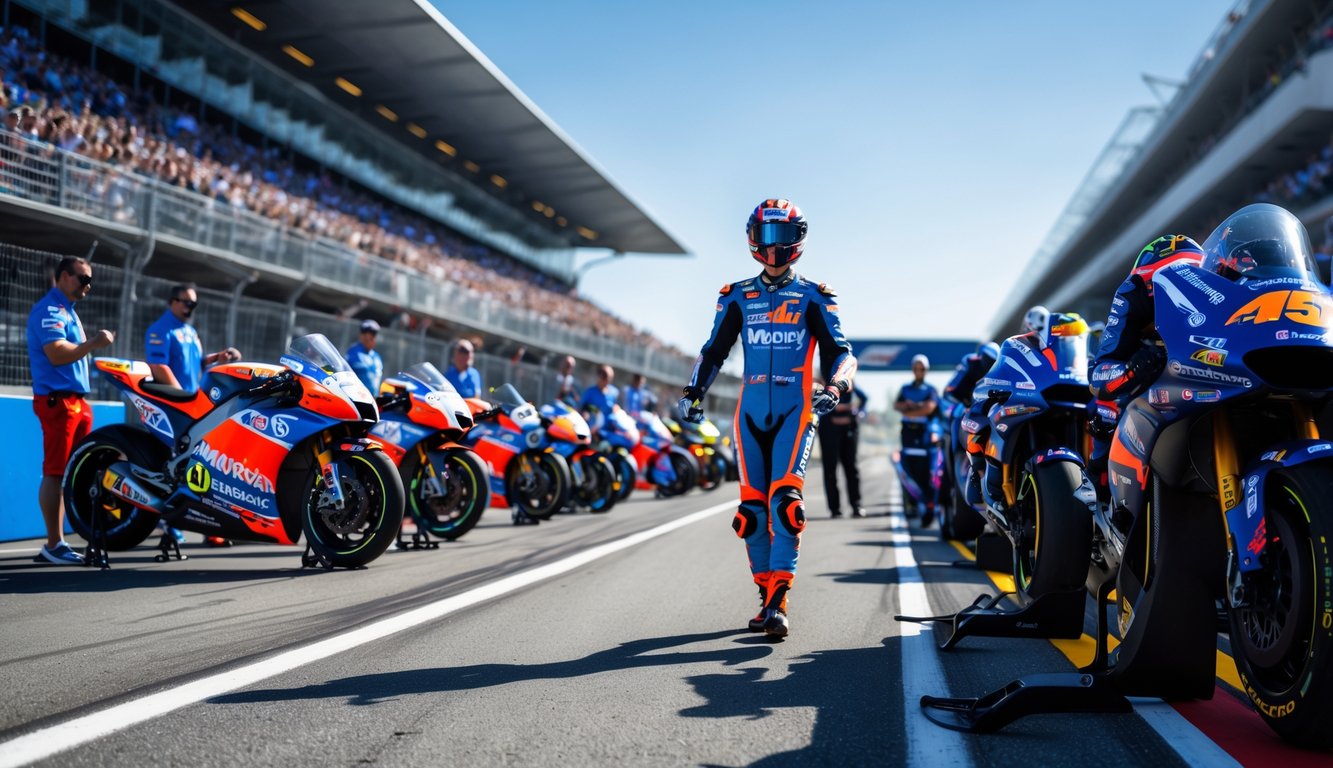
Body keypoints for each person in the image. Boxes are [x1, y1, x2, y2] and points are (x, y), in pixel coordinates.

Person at [678, 198, 856, 639]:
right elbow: (713, 350)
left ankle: (779, 602)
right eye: (766, 236)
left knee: (786, 506)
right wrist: (693, 391)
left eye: (782, 237)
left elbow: (842, 354)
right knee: (752, 513)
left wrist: (835, 388)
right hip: (749, 413)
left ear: (798, 239)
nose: (773, 247)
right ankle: (765, 598)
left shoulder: (815, 296)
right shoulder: (736, 296)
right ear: (753, 239)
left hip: (797, 412)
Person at [1088, 235, 1206, 498]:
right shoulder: (1132, 292)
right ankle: (1102, 485)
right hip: (1154, 395)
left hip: (1212, 377)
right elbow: (1098, 377)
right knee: (1106, 417)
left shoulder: (1220, 280)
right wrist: (1133, 370)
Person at [27, 256, 115, 565]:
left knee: (72, 472)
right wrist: (93, 343)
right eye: (83, 279)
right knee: (55, 472)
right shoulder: (51, 309)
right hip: (58, 402)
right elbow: (56, 353)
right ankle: (54, 543)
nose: (88, 285)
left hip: (76, 401)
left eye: (90, 279)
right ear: (64, 277)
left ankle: (62, 540)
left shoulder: (67, 311)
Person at [145, 282, 241, 547]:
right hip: (175, 407)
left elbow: (196, 362)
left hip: (195, 406)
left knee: (205, 466)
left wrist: (217, 358)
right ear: (173, 302)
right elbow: (158, 365)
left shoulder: (189, 331)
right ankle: (172, 526)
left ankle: (209, 526)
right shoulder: (160, 330)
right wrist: (181, 398)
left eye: (194, 303)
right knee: (177, 468)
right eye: (187, 302)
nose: (190, 308)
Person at [894, 355, 940, 525]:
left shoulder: (931, 390)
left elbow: (930, 409)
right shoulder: (905, 388)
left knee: (926, 476)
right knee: (907, 472)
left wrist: (910, 409)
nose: (919, 371)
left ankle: (929, 509)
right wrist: (918, 408)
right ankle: (911, 505)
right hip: (907, 436)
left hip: (924, 437)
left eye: (922, 368)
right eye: (916, 368)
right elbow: (897, 405)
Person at [818, 377, 869, 518]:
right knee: (830, 469)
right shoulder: (823, 380)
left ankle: (856, 505)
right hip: (829, 429)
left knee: (851, 467)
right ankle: (835, 509)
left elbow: (864, 399)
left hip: (849, 429)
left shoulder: (849, 379)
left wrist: (858, 412)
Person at [345, 319, 384, 393]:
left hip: (373, 399)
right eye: (367, 333)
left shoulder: (377, 357)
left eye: (374, 334)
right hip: (357, 397)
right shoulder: (353, 352)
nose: (371, 338)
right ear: (361, 335)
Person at [579, 364, 619, 431]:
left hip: (607, 431)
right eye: (603, 377)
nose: (606, 380)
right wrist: (592, 411)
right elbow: (583, 407)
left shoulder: (614, 393)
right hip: (591, 429)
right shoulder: (590, 392)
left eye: (608, 378)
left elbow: (615, 409)